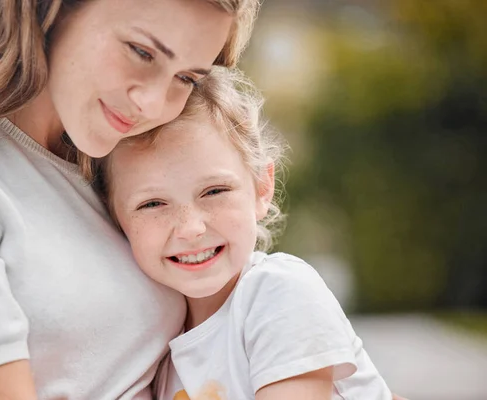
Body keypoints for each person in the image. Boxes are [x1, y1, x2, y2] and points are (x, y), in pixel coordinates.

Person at [0, 1, 261, 399]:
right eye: (141, 52)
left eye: (186, 77)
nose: (153, 103)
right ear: (54, 10)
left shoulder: (120, 174)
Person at [92, 67, 394, 399]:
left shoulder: (279, 294)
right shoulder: (159, 348)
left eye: (214, 191)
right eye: (152, 204)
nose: (192, 228)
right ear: (115, 218)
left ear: (262, 187)